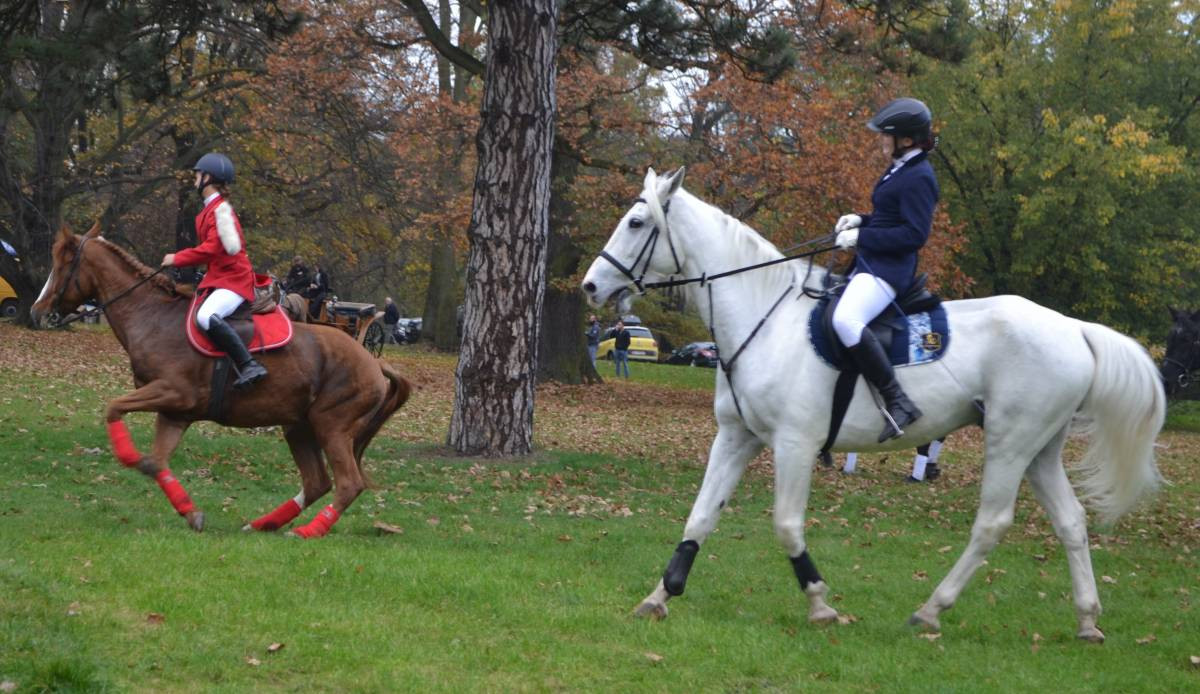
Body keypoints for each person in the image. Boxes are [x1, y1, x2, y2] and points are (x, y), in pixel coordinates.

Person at [832, 97, 939, 442]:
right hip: (870, 264)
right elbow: (888, 217)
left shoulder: (919, 176)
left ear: (906, 140)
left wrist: (862, 236)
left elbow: (913, 234)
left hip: (889, 272)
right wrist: (860, 219)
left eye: (886, 136)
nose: (881, 140)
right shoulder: (901, 168)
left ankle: (899, 401)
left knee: (845, 320)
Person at [162, 152, 267, 389]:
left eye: (198, 175)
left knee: (205, 316)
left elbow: (212, 249)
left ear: (208, 177)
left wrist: (177, 258)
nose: (195, 179)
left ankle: (249, 364)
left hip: (235, 280)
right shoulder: (211, 210)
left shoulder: (220, 211)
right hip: (221, 278)